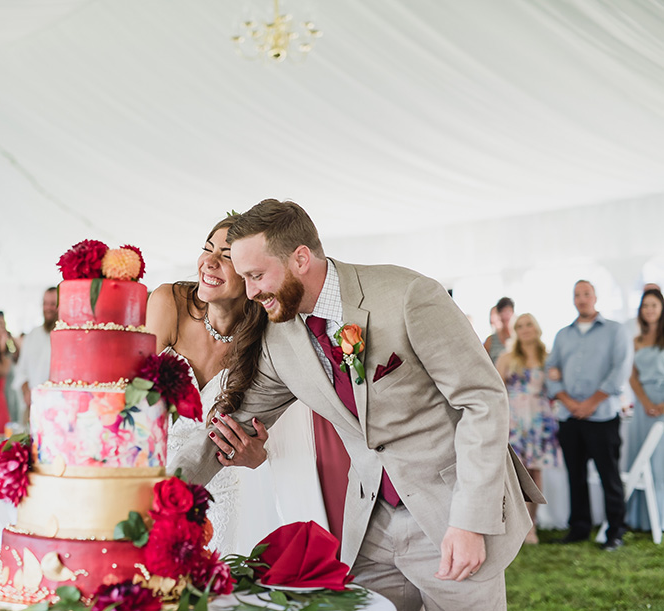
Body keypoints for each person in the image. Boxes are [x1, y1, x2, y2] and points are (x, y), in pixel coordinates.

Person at [169, 200, 541, 611]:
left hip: (450, 511)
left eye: (257, 276)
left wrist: (469, 520)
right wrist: (160, 494)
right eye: (246, 278)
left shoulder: (408, 297)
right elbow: (232, 426)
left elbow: (482, 402)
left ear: (300, 258)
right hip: (370, 528)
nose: (252, 292)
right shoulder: (280, 340)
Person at [148, 216, 327, 555]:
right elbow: (133, 394)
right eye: (207, 249)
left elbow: (266, 437)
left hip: (226, 489)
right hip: (153, 477)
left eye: (227, 256)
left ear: (251, 275)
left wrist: (257, 454)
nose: (209, 262)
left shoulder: (269, 340)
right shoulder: (169, 302)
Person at [546, 280, 631, 550]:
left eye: (586, 294)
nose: (582, 299)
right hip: (570, 418)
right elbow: (551, 371)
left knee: (610, 476)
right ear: (573, 300)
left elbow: (619, 371)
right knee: (576, 475)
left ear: (595, 297)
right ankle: (579, 527)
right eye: (577, 295)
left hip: (603, 416)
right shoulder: (562, 335)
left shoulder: (615, 331)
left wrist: (592, 402)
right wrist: (570, 403)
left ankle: (615, 530)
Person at [495, 313, 559, 544]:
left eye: (528, 324)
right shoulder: (506, 357)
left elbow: (555, 388)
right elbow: (496, 389)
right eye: (520, 326)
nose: (525, 329)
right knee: (518, 474)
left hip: (539, 420)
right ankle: (518, 525)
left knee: (536, 473)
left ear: (536, 327)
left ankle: (533, 525)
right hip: (515, 422)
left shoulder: (548, 357)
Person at [624, 288, 664, 531]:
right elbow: (632, 376)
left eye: (654, 305)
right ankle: (640, 519)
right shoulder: (636, 341)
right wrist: (646, 403)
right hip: (643, 406)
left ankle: (660, 516)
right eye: (645, 306)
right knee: (642, 458)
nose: (649, 310)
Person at [12, 288, 58, 421]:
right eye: (45, 303)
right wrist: (26, 391)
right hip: (33, 406)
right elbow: (21, 371)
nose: (48, 308)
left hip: (58, 406)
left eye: (52, 304)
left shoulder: (67, 336)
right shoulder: (32, 335)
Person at [484, 297, 515, 364]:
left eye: (508, 311)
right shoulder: (490, 340)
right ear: (498, 314)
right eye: (502, 312)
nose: (506, 316)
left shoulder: (520, 339)